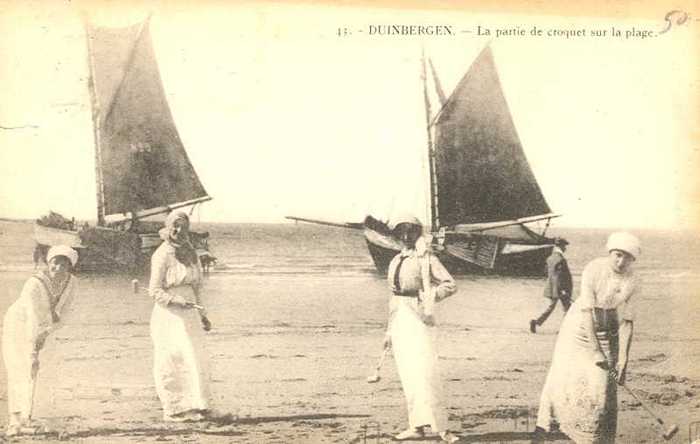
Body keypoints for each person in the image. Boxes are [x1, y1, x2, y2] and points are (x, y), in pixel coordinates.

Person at [533, 232, 641, 443]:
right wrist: (594, 350)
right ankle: (544, 428)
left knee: (605, 387)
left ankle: (598, 439)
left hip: (608, 328)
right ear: (610, 252)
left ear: (633, 259)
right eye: (618, 255)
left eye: (627, 257)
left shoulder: (636, 280)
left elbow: (628, 322)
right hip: (577, 327)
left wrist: (623, 360)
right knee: (561, 375)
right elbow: (586, 312)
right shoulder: (594, 268)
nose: (621, 261)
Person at [384, 215, 459, 443]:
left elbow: (450, 284)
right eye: (402, 232)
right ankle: (416, 426)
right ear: (398, 235)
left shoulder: (426, 258)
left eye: (411, 232)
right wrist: (388, 331)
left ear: (418, 233)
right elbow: (393, 296)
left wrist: (427, 297)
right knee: (408, 375)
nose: (406, 237)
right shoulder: (396, 259)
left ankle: (442, 429)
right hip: (399, 320)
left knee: (426, 373)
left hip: (419, 319)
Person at [2, 245, 79, 437]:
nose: (59, 268)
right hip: (18, 326)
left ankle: (33, 416)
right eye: (55, 263)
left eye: (64, 264)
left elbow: (65, 313)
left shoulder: (72, 282)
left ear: (70, 266)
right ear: (48, 263)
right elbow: (31, 316)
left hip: (44, 328)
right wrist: (33, 349)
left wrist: (46, 333)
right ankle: (15, 419)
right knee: (20, 369)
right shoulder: (34, 283)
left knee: (44, 371)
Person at [149, 211, 213, 422]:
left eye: (183, 227)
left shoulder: (191, 252)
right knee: (171, 359)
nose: (179, 231)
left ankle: (198, 404)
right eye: (175, 226)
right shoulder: (161, 254)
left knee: (195, 356)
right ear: (168, 228)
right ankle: (174, 408)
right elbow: (154, 291)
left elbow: (197, 288)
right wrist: (176, 300)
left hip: (190, 313)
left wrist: (203, 314)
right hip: (169, 314)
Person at [530, 238, 573, 333]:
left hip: (552, 287)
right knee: (567, 308)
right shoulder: (560, 259)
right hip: (561, 288)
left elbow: (549, 273)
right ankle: (564, 328)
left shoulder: (550, 258)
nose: (565, 248)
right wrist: (563, 289)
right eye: (564, 246)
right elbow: (560, 276)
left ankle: (536, 321)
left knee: (550, 307)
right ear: (560, 246)